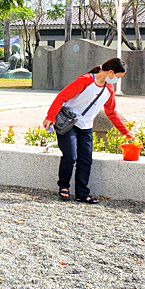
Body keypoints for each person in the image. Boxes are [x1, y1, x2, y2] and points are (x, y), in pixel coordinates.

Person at [42, 57, 134, 204]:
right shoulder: (85, 80)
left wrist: (125, 131)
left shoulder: (109, 89)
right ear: (110, 72)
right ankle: (63, 187)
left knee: (86, 160)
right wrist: (50, 117)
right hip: (69, 124)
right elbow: (62, 97)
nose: (117, 80)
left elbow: (111, 113)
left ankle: (82, 194)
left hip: (86, 127)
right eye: (118, 76)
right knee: (70, 156)